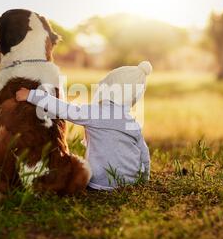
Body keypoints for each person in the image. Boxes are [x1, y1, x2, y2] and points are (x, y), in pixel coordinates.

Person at [15, 61, 152, 190]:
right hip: (131, 182)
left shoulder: (95, 112)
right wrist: (144, 180)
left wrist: (31, 95)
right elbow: (144, 154)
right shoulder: (132, 122)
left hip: (100, 183)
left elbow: (63, 108)